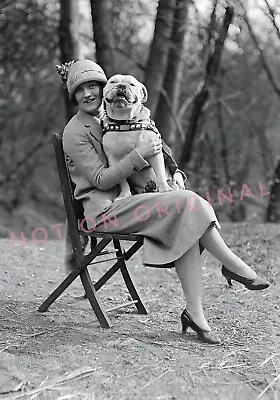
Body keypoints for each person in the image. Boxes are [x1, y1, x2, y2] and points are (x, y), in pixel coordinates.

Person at [57, 59, 269, 345]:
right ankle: (233, 265)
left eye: (93, 85)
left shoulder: (114, 116)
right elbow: (99, 179)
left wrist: (175, 172)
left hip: (134, 202)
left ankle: (195, 313)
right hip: (106, 210)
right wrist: (138, 155)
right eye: (80, 90)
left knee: (186, 215)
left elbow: (157, 145)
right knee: (187, 206)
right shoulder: (76, 131)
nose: (88, 93)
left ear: (104, 87)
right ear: (73, 96)